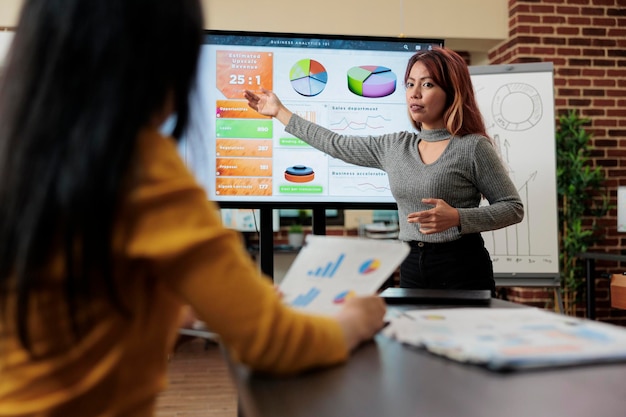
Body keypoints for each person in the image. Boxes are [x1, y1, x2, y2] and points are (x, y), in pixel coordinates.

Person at [0, 1, 386, 416]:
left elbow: (76, 312)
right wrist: (357, 320)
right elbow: (273, 343)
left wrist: (183, 313)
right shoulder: (141, 168)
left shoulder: (19, 153)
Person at [244, 47, 524, 295]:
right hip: (412, 263)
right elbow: (335, 143)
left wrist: (458, 217)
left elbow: (512, 207)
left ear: (451, 92)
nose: (414, 93)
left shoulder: (472, 147)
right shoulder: (395, 146)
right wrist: (279, 112)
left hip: (461, 265)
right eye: (410, 84)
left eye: (427, 84)